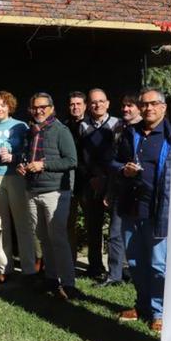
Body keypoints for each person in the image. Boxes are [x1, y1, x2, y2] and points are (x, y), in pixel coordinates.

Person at [112, 88, 171, 332]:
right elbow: (112, 160)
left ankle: (160, 312)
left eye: (153, 104)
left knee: (158, 264)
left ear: (163, 107)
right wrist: (122, 169)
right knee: (136, 262)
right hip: (131, 207)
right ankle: (143, 305)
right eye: (144, 104)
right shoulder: (130, 133)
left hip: (158, 209)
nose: (148, 108)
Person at [17, 92, 79, 301]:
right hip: (32, 189)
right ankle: (51, 278)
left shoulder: (61, 130)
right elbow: (27, 155)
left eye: (43, 107)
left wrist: (44, 165)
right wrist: (23, 166)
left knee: (58, 238)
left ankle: (69, 284)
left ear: (51, 108)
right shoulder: (31, 131)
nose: (39, 110)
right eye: (35, 107)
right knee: (43, 238)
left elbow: (71, 160)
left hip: (55, 191)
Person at [0, 91, 33, 283]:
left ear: (10, 106)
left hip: (16, 178)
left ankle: (29, 269)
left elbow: (30, 151)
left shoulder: (20, 126)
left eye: (3, 105)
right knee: (0, 225)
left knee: (23, 224)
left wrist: (14, 157)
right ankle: (6, 268)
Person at [98, 93, 142, 288]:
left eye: (130, 106)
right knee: (115, 233)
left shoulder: (149, 130)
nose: (125, 109)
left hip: (143, 192)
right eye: (124, 105)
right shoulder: (118, 128)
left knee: (142, 235)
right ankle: (114, 275)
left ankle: (138, 273)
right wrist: (109, 190)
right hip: (119, 188)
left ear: (140, 108)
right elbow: (112, 161)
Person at [77, 89, 120, 280]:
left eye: (101, 101)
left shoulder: (118, 124)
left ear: (108, 103)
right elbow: (80, 156)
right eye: (93, 102)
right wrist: (92, 177)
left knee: (115, 231)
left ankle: (115, 271)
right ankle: (95, 267)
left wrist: (106, 178)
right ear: (89, 104)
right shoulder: (82, 126)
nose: (97, 105)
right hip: (91, 182)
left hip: (112, 183)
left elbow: (120, 154)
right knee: (93, 228)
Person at [65, 91, 87, 269]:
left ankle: (96, 266)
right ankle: (70, 263)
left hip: (89, 182)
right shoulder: (64, 127)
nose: (75, 107)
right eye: (72, 104)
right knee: (68, 226)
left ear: (85, 106)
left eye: (79, 104)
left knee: (93, 227)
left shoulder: (91, 126)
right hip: (70, 184)